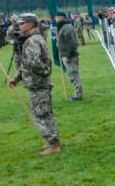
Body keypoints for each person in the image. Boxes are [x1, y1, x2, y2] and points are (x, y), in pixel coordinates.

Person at [8, 13, 61, 155]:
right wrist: (17, 78)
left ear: (30, 24)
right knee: (45, 112)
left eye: (22, 23)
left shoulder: (32, 40)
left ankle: (53, 143)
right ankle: (53, 141)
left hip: (38, 84)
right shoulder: (33, 38)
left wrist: (42, 75)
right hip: (38, 83)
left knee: (41, 114)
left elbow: (34, 62)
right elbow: (25, 64)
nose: (19, 26)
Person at [55, 11, 83, 101]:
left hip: (69, 56)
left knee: (73, 75)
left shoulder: (66, 28)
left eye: (57, 17)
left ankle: (78, 95)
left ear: (61, 17)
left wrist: (68, 55)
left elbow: (72, 43)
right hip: (65, 54)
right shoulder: (63, 27)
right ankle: (78, 94)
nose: (55, 19)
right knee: (72, 75)